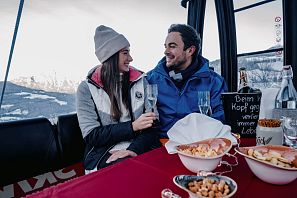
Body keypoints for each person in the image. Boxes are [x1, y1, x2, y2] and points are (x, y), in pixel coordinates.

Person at [76, 25, 160, 172]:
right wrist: (132, 126)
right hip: (104, 152)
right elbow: (92, 136)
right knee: (127, 172)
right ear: (111, 56)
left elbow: (152, 126)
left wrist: (133, 149)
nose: (131, 58)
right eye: (125, 53)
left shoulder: (142, 81)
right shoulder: (87, 88)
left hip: (140, 146)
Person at [147, 24, 228, 139]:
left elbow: (221, 118)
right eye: (165, 46)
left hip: (197, 144)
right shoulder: (151, 79)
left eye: (172, 46)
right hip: (159, 144)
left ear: (190, 50)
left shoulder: (214, 82)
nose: (166, 51)